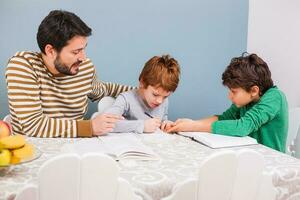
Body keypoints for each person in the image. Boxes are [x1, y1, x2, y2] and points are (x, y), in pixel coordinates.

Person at [5, 10, 134, 138]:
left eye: (84, 49)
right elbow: (33, 125)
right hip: (32, 152)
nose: (83, 57)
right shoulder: (23, 65)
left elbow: (104, 90)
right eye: (76, 52)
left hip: (75, 151)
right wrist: (90, 127)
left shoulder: (84, 68)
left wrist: (144, 91)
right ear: (50, 51)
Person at [167, 53, 288, 152]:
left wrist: (194, 127)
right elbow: (224, 118)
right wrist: (191, 123)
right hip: (250, 158)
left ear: (254, 90)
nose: (230, 96)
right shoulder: (246, 101)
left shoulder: (275, 97)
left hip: (271, 163)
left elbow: (243, 127)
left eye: (234, 92)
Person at [103, 55, 180, 133]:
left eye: (165, 97)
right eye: (155, 95)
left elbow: (163, 119)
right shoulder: (126, 99)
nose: (160, 101)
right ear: (142, 83)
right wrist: (141, 125)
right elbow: (106, 123)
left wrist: (165, 123)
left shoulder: (164, 101)